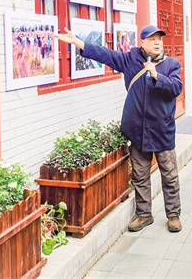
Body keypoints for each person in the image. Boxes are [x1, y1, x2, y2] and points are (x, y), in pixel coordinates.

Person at [55, 24, 184, 233]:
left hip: (162, 130)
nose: (157, 43)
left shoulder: (171, 64)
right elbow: (105, 55)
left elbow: (176, 88)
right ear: (142, 42)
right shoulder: (130, 59)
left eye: (159, 39)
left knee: (169, 175)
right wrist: (78, 42)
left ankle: (173, 215)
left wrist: (157, 76)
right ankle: (144, 214)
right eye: (152, 39)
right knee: (140, 175)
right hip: (138, 130)